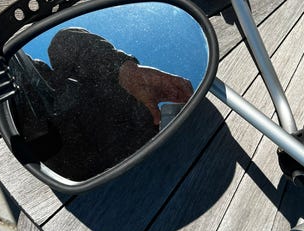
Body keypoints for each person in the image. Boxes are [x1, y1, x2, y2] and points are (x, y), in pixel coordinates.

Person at [10, 28, 194, 181]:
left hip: (84, 185)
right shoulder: (114, 91)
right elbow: (65, 42)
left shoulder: (144, 125)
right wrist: (125, 71)